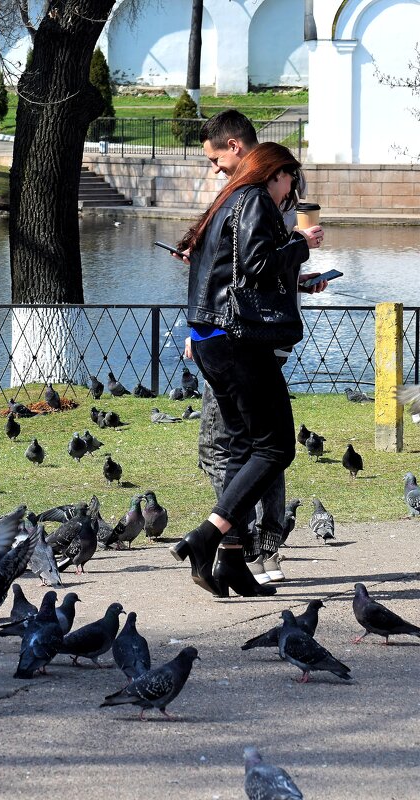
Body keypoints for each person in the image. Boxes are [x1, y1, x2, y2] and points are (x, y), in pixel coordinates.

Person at [170, 142, 324, 598]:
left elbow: (227, 271)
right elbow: (256, 268)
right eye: (290, 179)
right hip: (239, 341)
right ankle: (207, 536)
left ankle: (233, 561)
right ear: (275, 173)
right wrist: (300, 244)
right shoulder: (255, 199)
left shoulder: (227, 201)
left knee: (241, 448)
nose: (291, 189)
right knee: (276, 448)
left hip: (210, 340)